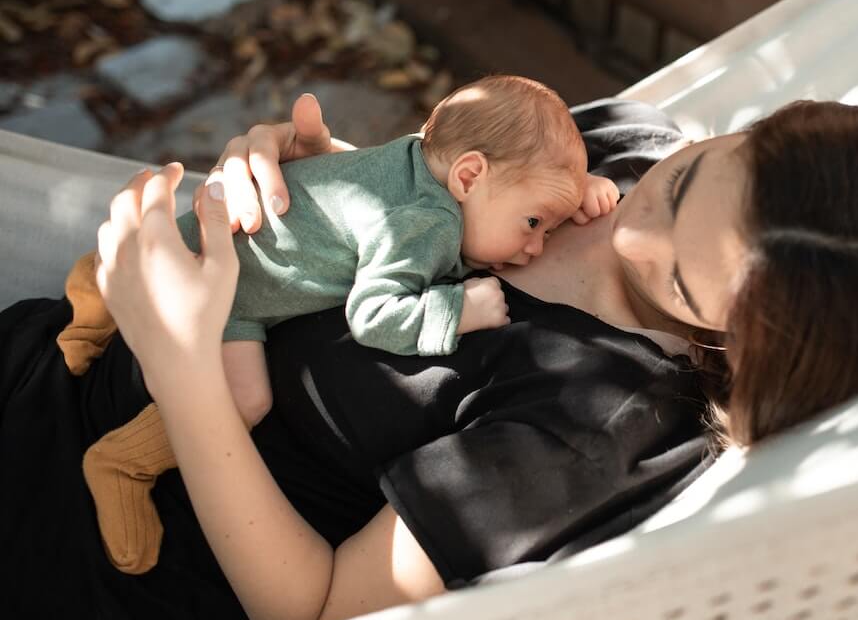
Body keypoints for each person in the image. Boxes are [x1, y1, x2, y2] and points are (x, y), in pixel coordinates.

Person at [0, 95, 858, 620]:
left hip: (70, 577)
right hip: (51, 358)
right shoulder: (614, 139)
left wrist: (185, 375)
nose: (625, 231)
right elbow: (413, 211)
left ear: (746, 355)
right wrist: (304, 175)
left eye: (683, 286)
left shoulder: (590, 424)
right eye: (689, 178)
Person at [63, 75, 621, 576]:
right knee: (246, 400)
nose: (535, 245)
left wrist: (574, 194)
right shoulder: (421, 225)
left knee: (150, 257)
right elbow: (373, 316)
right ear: (469, 175)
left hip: (208, 244)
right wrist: (460, 310)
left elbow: (517, 185)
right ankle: (123, 465)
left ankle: (92, 292)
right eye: (535, 223)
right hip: (229, 293)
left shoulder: (412, 161)